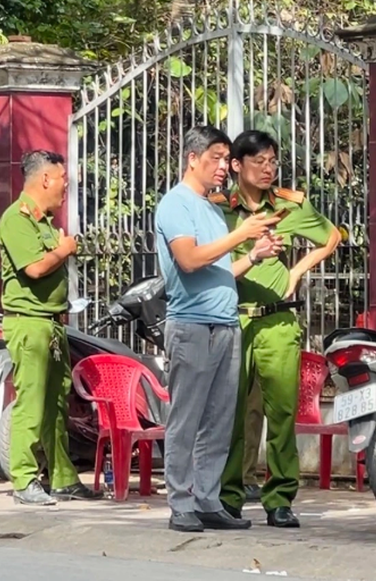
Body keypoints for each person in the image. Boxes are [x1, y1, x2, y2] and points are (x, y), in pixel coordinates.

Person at [154, 126, 282, 533]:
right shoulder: (176, 204)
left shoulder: (211, 209)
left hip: (226, 324)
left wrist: (254, 255)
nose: (224, 167)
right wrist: (241, 234)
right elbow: (190, 260)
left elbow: (221, 270)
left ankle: (207, 500)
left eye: (227, 159)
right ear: (192, 159)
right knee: (186, 420)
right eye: (217, 158)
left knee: (220, 421)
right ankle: (181, 503)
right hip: (193, 327)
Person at [212, 130, 341, 528]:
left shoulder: (289, 205)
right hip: (234, 318)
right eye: (259, 162)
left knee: (282, 413)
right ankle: (229, 496)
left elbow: (331, 236)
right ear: (237, 165)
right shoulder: (218, 209)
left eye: (272, 161)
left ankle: (280, 498)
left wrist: (297, 271)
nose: (268, 169)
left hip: (278, 321)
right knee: (232, 414)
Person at [0, 150, 102, 506]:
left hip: (52, 324)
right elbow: (35, 269)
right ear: (45, 179)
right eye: (62, 179)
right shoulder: (16, 219)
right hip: (29, 324)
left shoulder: (44, 222)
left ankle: (62, 478)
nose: (65, 187)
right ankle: (24, 479)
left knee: (57, 404)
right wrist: (64, 249)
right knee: (31, 402)